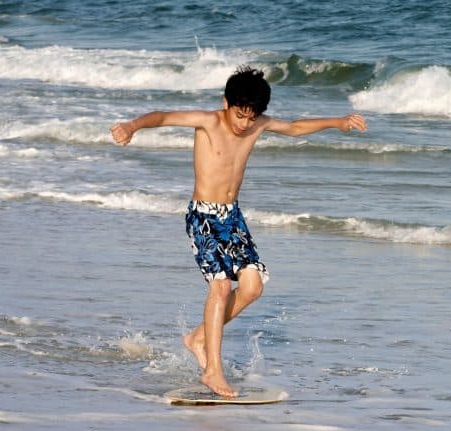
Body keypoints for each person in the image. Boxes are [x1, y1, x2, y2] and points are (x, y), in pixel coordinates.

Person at [111, 66, 368, 397]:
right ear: (226, 102)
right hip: (203, 216)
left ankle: (197, 338)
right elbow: (162, 117)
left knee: (252, 286)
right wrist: (132, 126)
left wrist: (338, 121)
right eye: (240, 115)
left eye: (252, 117)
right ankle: (213, 371)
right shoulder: (208, 121)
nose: (245, 123)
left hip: (232, 218)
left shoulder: (257, 125)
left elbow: (295, 127)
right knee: (219, 288)